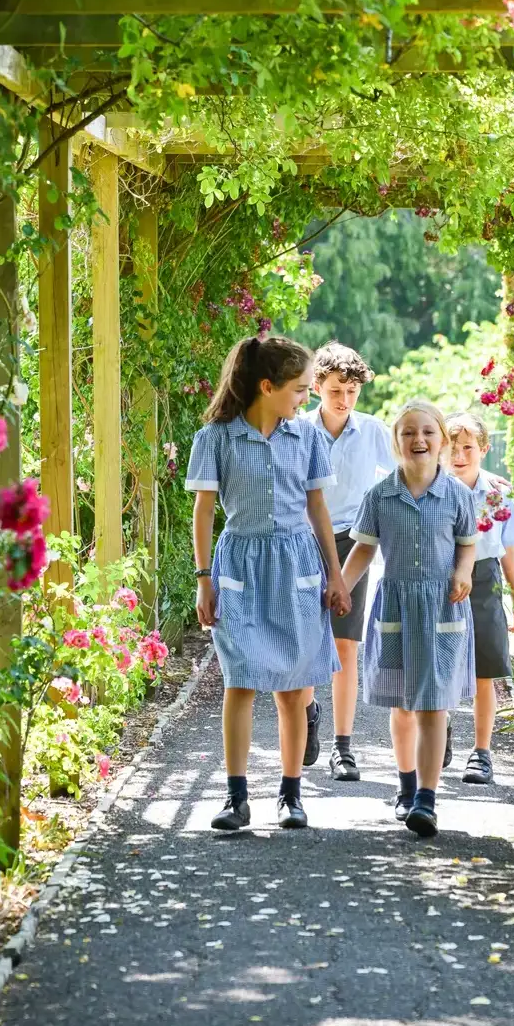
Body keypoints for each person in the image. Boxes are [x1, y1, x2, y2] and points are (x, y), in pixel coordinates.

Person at [186, 336, 351, 833]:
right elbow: (205, 511)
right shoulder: (215, 438)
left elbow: (318, 508)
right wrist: (203, 579)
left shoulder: (308, 439)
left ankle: (290, 793)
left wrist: (336, 574)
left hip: (297, 563)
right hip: (238, 566)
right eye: (300, 389)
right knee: (239, 682)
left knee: (293, 687)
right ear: (267, 386)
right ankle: (236, 797)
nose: (306, 399)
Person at [341, 400, 477, 838]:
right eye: (408, 433)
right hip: (397, 605)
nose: (418, 440)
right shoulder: (380, 495)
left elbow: (468, 543)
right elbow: (362, 548)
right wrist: (340, 587)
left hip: (442, 607)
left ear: (441, 440)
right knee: (402, 705)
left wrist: (462, 571)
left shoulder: (456, 493)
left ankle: (427, 799)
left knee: (435, 703)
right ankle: (405, 786)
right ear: (397, 442)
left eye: (427, 433)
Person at [301, 342, 393, 782]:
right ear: (317, 385)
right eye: (337, 388)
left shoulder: (374, 432)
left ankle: (343, 747)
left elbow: (407, 474)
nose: (344, 399)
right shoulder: (295, 430)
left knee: (344, 646)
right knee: (302, 639)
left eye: (353, 391)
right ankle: (307, 710)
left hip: (355, 543)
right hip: (304, 542)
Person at [446, 410, 514, 786]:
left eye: (467, 447)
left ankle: (481, 752)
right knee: (442, 661)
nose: (458, 455)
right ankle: (439, 724)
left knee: (485, 669)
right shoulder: (436, 486)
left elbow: (509, 549)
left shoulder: (498, 492)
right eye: (451, 447)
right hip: (442, 580)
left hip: (484, 580)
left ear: (483, 449)